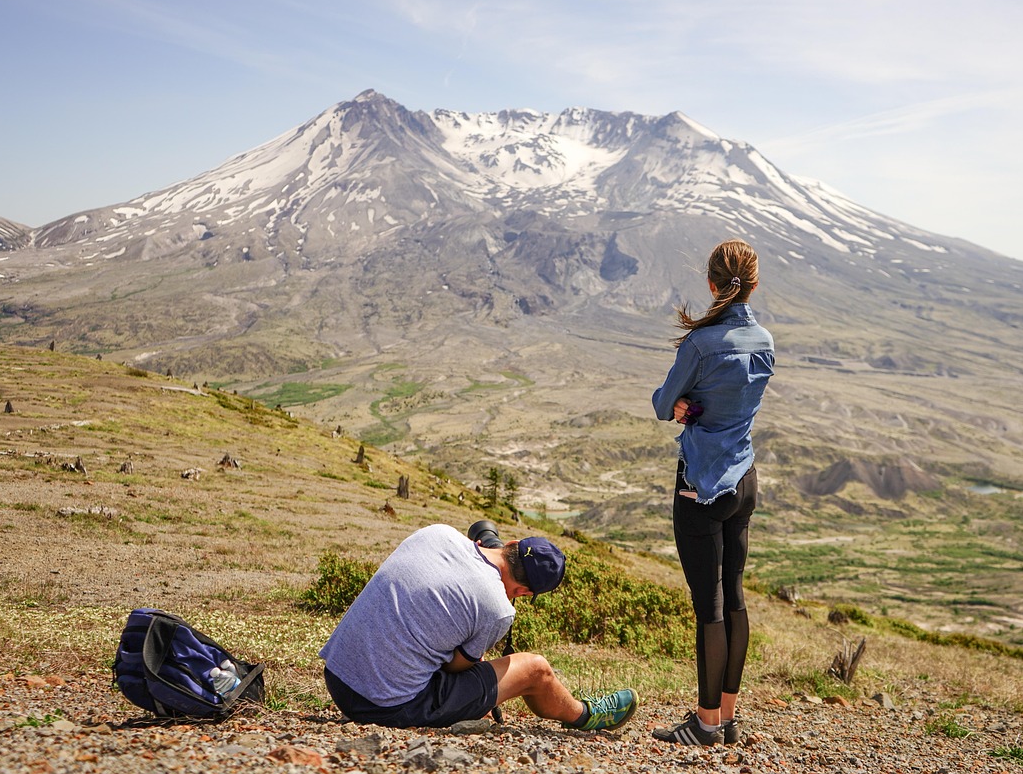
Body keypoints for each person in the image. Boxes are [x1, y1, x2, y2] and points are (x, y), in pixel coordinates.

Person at [319, 523, 638, 731]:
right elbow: (456, 668)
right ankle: (585, 715)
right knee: (535, 669)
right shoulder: (497, 608)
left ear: (511, 542)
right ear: (525, 593)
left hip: (338, 676)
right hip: (387, 706)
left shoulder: (437, 533)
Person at [649, 239, 775, 746]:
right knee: (736, 597)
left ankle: (703, 724)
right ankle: (727, 717)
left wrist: (682, 406)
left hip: (701, 484)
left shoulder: (699, 345)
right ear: (754, 282)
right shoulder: (764, 339)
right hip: (745, 479)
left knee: (710, 607)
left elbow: (662, 403)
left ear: (710, 283)